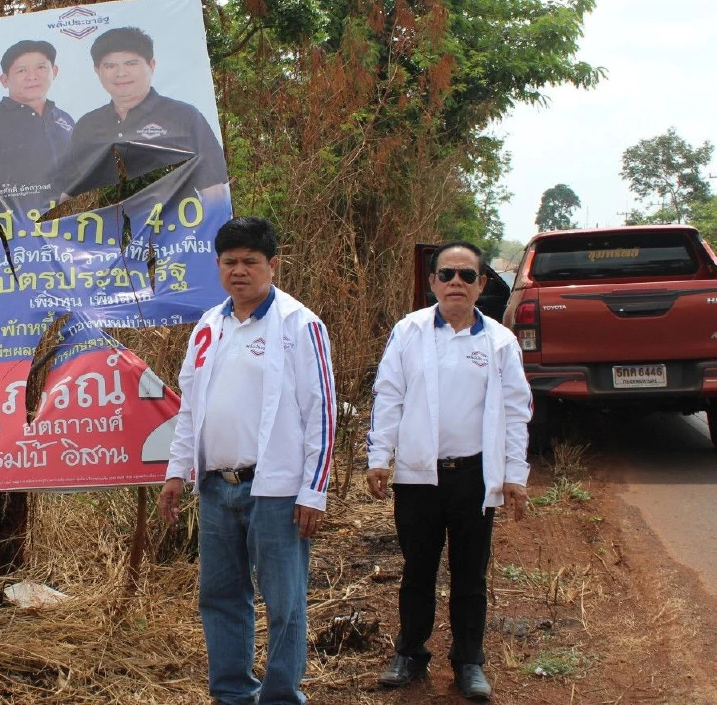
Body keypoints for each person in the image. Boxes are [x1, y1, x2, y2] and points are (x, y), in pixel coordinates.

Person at [159, 216, 336, 705]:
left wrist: (313, 490)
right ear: (217, 265)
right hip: (218, 487)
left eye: (250, 262)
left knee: (284, 602)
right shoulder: (208, 327)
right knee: (221, 598)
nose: (239, 271)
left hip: (276, 491)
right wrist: (177, 472)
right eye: (229, 262)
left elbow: (321, 412)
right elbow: (190, 406)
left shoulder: (300, 325)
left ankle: (281, 696)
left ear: (272, 265)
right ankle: (233, 694)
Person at [365, 240, 533, 702]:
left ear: (481, 284)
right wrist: (380, 458)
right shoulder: (409, 332)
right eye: (446, 274)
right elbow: (389, 396)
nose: (455, 283)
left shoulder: (499, 341)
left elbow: (517, 411)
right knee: (418, 568)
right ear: (432, 282)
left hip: (474, 477)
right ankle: (411, 651)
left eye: (465, 275)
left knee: (469, 572)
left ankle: (468, 660)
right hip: (418, 476)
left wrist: (515, 474)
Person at [59, 26, 228, 204]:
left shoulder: (183, 117)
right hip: (103, 228)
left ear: (151, 65)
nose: (121, 73)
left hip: (173, 227)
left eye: (131, 64)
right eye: (110, 65)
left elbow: (213, 188)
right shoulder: (88, 125)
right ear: (97, 70)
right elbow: (68, 191)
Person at [0, 39, 75, 221]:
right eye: (22, 70)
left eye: (41, 68)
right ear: (4, 80)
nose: (32, 76)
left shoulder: (65, 121)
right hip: (1, 241)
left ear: (54, 71)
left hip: (61, 238)